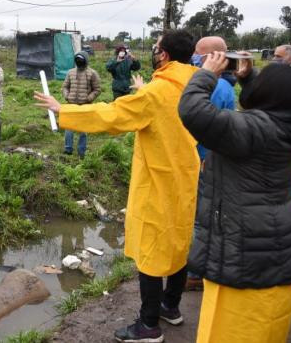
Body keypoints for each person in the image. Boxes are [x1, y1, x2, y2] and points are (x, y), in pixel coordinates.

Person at [35, 31, 200, 343]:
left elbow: (112, 114)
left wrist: (63, 110)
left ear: (163, 55)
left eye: (156, 47)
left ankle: (148, 326)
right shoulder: (196, 85)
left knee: (150, 253)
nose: (153, 51)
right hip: (187, 176)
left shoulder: (158, 92)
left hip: (158, 180)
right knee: (179, 244)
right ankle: (170, 306)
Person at [178, 55, 291, 343]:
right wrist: (247, 79)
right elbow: (266, 108)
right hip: (275, 249)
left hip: (248, 258)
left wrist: (206, 74)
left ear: (269, 95)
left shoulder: (258, 129)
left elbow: (193, 112)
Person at [185, 36, 236, 291]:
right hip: (214, 160)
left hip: (200, 160)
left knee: (198, 219)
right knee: (209, 217)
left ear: (210, 57)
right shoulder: (226, 86)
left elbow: (195, 123)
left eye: (197, 53)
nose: (193, 57)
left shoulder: (208, 86)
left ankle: (194, 273)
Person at [62, 51, 101, 157]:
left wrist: (89, 98)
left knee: (83, 129)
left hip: (85, 105)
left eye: (81, 59)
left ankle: (81, 152)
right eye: (77, 59)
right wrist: (66, 95)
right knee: (68, 127)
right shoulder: (70, 72)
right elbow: (65, 86)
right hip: (71, 104)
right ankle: (68, 149)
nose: (79, 61)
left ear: (86, 60)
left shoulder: (92, 73)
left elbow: (97, 89)